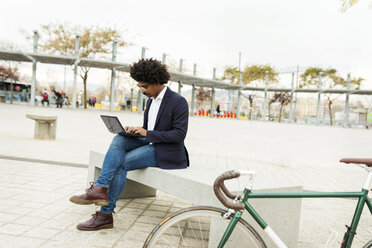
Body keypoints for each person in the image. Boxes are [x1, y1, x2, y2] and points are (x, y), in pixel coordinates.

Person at [69, 58, 190, 231]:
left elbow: (179, 135)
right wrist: (137, 130)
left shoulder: (178, 102)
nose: (142, 90)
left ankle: (105, 215)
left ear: (156, 82)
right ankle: (100, 188)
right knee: (119, 138)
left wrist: (147, 133)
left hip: (167, 150)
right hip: (151, 141)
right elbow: (151, 128)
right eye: (140, 87)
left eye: (144, 87)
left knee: (122, 163)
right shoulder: (150, 101)